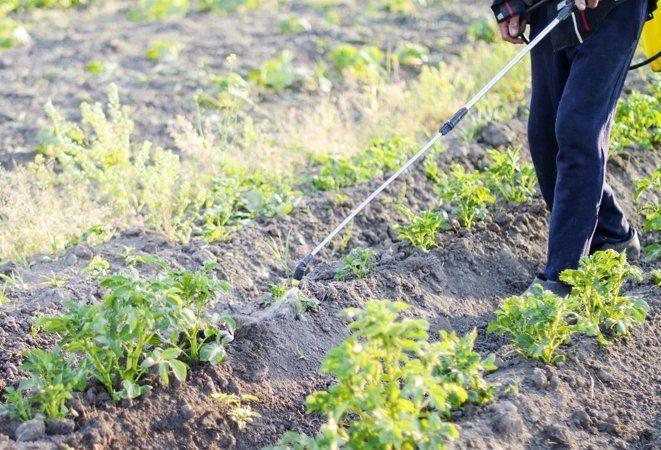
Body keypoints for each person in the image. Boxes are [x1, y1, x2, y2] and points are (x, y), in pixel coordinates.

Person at [490, 0, 658, 296]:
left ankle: (562, 277)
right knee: (545, 136)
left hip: (615, 8)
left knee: (578, 128)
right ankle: (611, 233)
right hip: (547, 5)